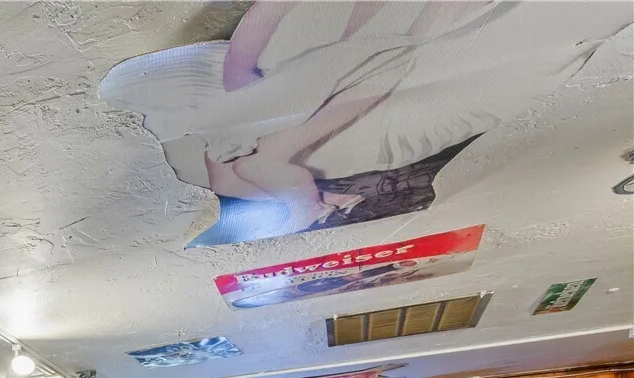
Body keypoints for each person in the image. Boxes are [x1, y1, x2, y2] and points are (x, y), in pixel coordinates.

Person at [100, 1, 633, 243]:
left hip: (334, 107)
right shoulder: (232, 150)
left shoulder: (234, 144)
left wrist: (305, 197)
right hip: (345, 108)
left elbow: (265, 168)